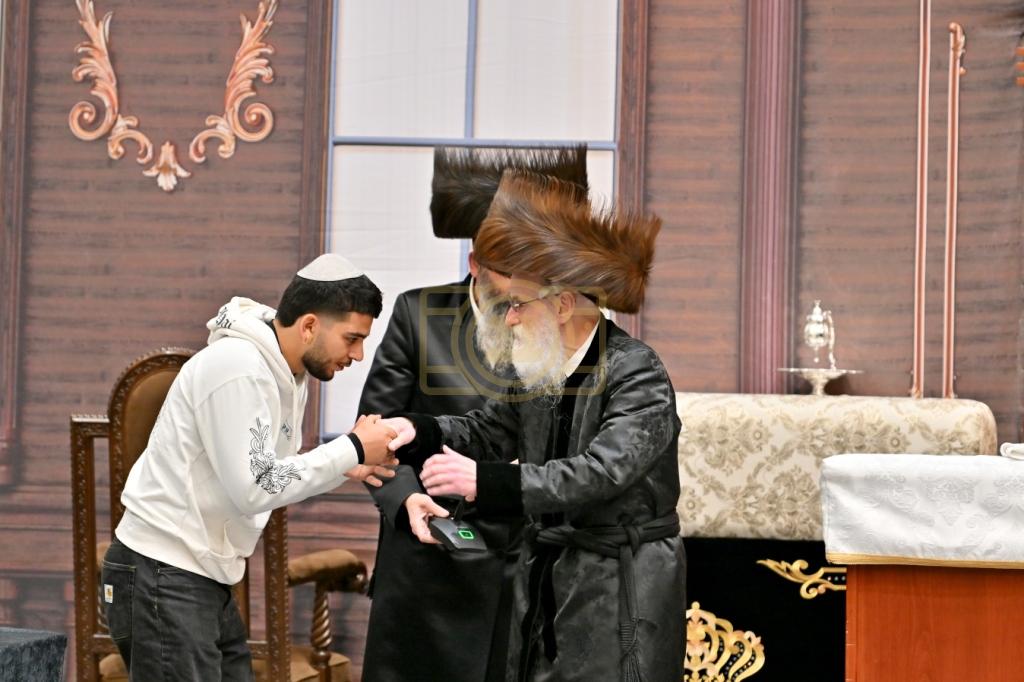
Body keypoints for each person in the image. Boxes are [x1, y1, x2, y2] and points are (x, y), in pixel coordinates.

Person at [384, 173, 686, 682]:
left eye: (518, 305)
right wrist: (419, 430)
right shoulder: (538, 367)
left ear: (563, 304)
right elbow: (487, 430)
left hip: (620, 581)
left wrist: (486, 482)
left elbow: (602, 473)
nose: (510, 320)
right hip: (548, 569)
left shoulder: (638, 371)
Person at [100, 254, 400, 681]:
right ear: (309, 325)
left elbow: (268, 471)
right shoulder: (238, 367)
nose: (358, 354)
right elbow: (255, 487)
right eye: (352, 338)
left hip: (195, 576)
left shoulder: (284, 371)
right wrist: (351, 448)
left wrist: (344, 466)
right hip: (163, 573)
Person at [359, 145, 589, 682]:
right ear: (475, 265)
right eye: (505, 269)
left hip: (526, 558)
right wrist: (406, 499)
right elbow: (376, 433)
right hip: (430, 549)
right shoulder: (418, 313)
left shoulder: (561, 323)